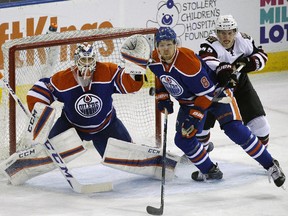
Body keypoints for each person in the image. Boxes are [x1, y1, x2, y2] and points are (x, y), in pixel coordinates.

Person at [148, 27, 285, 187]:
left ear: (175, 44)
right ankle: (210, 170)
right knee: (183, 140)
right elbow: (161, 76)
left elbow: (207, 94)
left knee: (235, 129)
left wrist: (194, 117)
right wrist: (162, 96)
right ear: (156, 46)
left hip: (216, 94)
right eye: (161, 45)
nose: (165, 49)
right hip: (191, 102)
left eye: (168, 45)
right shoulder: (155, 59)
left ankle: (271, 165)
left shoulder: (188, 62)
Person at [26, 42, 145, 157]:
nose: (87, 64)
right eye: (84, 60)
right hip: (72, 127)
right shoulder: (64, 79)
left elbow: (129, 84)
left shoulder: (107, 71)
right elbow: (42, 87)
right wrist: (40, 110)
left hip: (106, 126)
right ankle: (30, 159)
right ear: (77, 61)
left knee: (127, 156)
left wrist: (136, 67)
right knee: (47, 155)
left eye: (90, 60)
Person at [197, 14, 270, 150]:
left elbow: (262, 56)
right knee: (201, 128)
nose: (226, 37)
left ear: (235, 32)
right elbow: (206, 61)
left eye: (230, 33)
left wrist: (250, 62)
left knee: (261, 124)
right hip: (215, 87)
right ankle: (201, 152)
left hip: (240, 84)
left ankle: (264, 155)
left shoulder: (245, 41)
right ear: (217, 33)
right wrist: (223, 70)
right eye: (222, 33)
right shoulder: (209, 44)